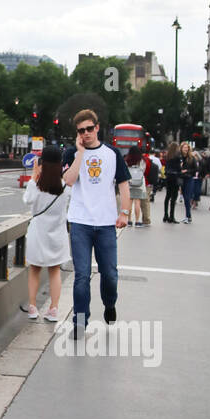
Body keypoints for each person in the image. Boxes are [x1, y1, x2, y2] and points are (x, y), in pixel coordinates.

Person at [62, 109, 131, 334]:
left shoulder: (112, 153)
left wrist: (125, 212)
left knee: (109, 273)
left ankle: (110, 304)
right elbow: (69, 181)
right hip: (80, 222)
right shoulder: (72, 153)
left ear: (97, 128)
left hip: (105, 224)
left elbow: (123, 184)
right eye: (81, 131)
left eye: (89, 129)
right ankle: (80, 322)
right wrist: (80, 153)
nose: (86, 133)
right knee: (81, 275)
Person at [19, 145, 71, 322]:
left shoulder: (37, 184)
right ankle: (53, 309)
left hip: (37, 233)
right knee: (54, 271)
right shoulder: (65, 186)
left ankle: (33, 307)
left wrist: (34, 176)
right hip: (57, 234)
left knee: (34, 270)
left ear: (43, 163)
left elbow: (27, 200)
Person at [125, 146, 147, 226]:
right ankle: (137, 221)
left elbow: (125, 170)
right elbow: (143, 170)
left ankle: (129, 220)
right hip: (139, 184)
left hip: (130, 183)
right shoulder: (141, 160)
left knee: (129, 203)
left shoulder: (127, 160)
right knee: (137, 202)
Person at [179, 142, 198, 223]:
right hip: (182, 179)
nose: (185, 149)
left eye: (187, 148)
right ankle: (187, 216)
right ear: (181, 148)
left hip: (189, 178)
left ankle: (188, 216)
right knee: (184, 197)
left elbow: (196, 169)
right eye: (184, 148)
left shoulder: (192, 158)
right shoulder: (179, 157)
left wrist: (187, 170)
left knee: (187, 197)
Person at [162, 143, 182, 222]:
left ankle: (165, 215)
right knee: (174, 198)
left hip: (168, 177)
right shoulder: (177, 157)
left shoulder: (167, 156)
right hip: (175, 178)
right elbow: (178, 168)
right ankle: (171, 216)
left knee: (167, 196)